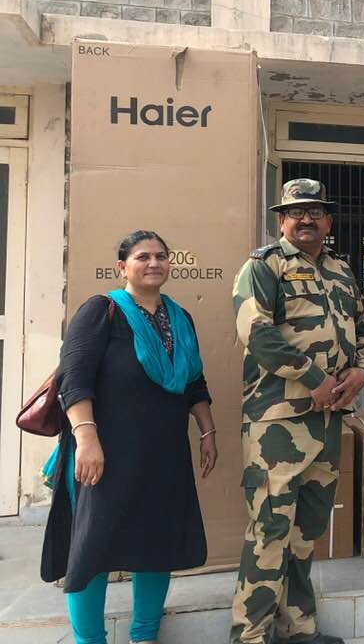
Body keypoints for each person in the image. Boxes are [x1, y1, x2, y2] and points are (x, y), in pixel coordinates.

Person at [41, 230, 217, 644]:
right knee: (92, 549)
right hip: (103, 454)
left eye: (161, 256)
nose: (154, 263)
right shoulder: (101, 311)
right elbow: (74, 380)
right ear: (123, 267)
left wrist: (207, 431)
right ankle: (90, 640)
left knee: (156, 545)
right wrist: (87, 440)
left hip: (163, 454)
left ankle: (144, 634)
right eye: (143, 257)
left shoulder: (180, 317)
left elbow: (194, 382)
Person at [230, 179, 364, 644]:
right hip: (278, 420)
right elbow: (258, 334)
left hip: (328, 419)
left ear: (329, 221)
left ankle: (298, 629)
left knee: (305, 531)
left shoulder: (341, 269)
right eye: (296, 212)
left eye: (315, 211)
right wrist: (316, 379)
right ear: (282, 220)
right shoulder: (263, 266)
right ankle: (250, 636)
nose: (306, 219)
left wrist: (362, 371)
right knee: (271, 528)